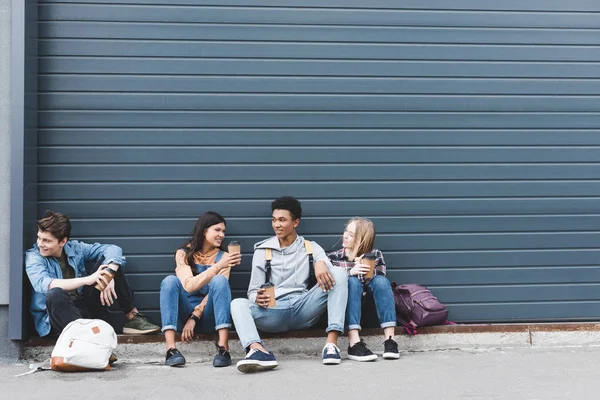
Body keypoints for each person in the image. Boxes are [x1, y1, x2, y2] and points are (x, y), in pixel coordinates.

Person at [230, 196, 348, 373]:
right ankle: (257, 350)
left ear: (295, 222)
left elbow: (332, 276)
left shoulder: (311, 247)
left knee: (339, 273)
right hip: (274, 311)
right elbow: (252, 291)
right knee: (237, 304)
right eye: (274, 220)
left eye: (282, 220)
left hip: (304, 308)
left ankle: (331, 345)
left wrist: (320, 263)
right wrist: (257, 297)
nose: (276, 225)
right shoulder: (262, 251)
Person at [25, 211, 160, 339]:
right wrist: (88, 279)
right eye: (39, 238)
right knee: (54, 294)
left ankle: (132, 319)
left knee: (111, 264)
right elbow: (46, 284)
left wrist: (108, 275)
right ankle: (89, 343)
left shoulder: (75, 248)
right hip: (58, 317)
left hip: (85, 309)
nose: (40, 244)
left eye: (46, 241)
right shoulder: (34, 257)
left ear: (62, 242)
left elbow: (113, 249)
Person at [159, 212, 241, 367]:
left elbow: (214, 293)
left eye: (223, 231)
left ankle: (223, 348)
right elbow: (188, 286)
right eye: (217, 230)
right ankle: (171, 349)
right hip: (185, 315)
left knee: (219, 281)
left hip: (209, 316)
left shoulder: (224, 257)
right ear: (204, 231)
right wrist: (217, 267)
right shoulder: (183, 253)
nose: (221, 235)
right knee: (169, 281)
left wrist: (195, 318)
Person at [327, 217, 400, 361]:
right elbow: (333, 288)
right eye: (346, 231)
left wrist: (364, 271)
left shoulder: (375, 255)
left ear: (362, 239)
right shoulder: (333, 258)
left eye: (352, 234)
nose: (345, 236)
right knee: (352, 282)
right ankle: (354, 343)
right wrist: (350, 272)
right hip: (348, 312)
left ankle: (390, 340)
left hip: (372, 309)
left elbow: (380, 283)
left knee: (381, 281)